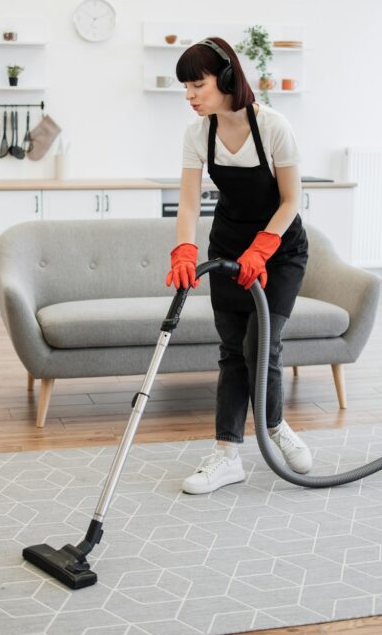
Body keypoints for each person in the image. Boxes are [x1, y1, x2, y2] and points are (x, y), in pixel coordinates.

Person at [167, 37, 313, 495]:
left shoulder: (272, 126)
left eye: (197, 84)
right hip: (229, 249)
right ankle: (227, 455)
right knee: (232, 351)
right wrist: (185, 251)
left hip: (279, 250)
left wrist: (264, 248)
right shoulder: (198, 133)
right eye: (185, 88)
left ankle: (274, 427)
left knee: (261, 345)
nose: (190, 96)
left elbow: (291, 199)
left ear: (227, 79)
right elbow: (189, 205)